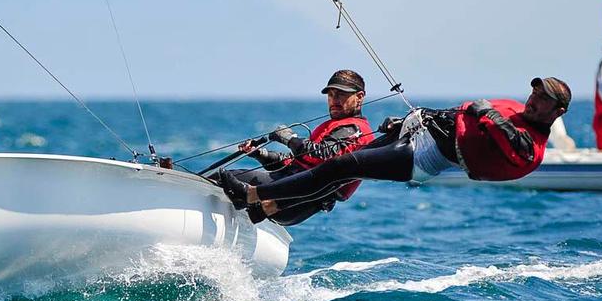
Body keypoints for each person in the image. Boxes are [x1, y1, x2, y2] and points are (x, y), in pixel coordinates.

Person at [220, 77, 571, 209]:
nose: (533, 99)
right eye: (534, 92)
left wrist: (488, 114)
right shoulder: (517, 111)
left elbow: (509, 141)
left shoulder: (531, 147)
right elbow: (461, 114)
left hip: (423, 157)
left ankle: (254, 197)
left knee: (341, 166)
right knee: (338, 169)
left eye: (542, 99)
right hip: (419, 133)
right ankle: (265, 208)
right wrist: (409, 120)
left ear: (558, 111)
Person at [222, 69, 375, 225]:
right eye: (330, 95)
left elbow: (322, 155)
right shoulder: (341, 126)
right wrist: (261, 154)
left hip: (293, 202)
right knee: (230, 179)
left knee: (223, 178)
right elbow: (299, 164)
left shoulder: (355, 130)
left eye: (341, 94)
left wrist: (290, 139)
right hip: (287, 190)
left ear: (359, 97)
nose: (334, 100)